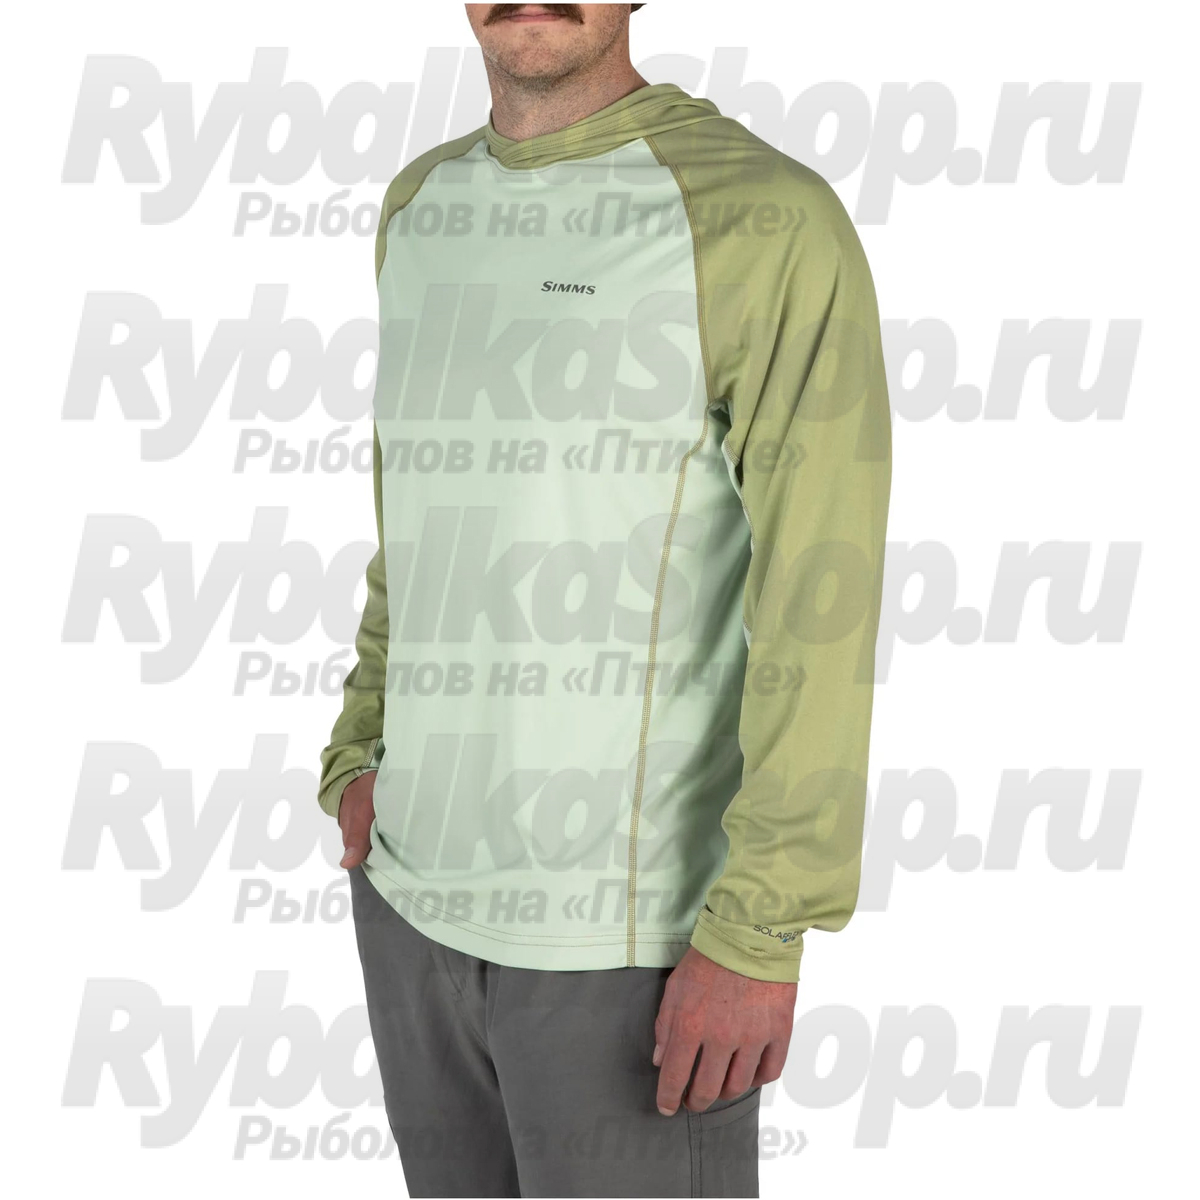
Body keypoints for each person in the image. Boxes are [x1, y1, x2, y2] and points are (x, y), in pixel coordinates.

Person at [317, 4, 892, 1195]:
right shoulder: (420, 207)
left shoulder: (761, 217)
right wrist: (360, 746)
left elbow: (821, 597)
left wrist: (761, 928)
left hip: (627, 946)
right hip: (410, 909)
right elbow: (415, 518)